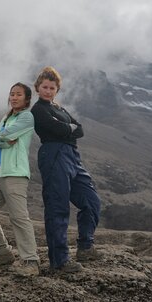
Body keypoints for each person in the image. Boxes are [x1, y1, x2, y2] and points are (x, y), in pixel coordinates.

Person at [31, 67, 101, 273]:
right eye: (44, 87)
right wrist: (67, 128)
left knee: (92, 201)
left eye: (52, 88)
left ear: (57, 90)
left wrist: (68, 128)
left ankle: (85, 246)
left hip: (72, 156)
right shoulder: (38, 110)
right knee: (58, 207)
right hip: (53, 155)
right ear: (38, 88)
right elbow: (62, 129)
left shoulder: (59, 109)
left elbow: (79, 129)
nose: (48, 91)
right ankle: (59, 261)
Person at [0, 82, 40, 277]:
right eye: (12, 94)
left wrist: (0, 139)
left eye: (18, 94)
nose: (14, 97)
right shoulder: (6, 117)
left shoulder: (27, 117)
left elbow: (0, 137)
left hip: (15, 173)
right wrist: (2, 140)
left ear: (27, 99)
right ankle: (3, 253)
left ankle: (31, 260)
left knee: (19, 217)